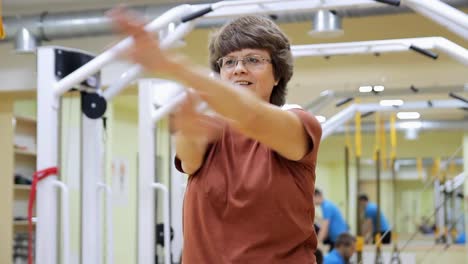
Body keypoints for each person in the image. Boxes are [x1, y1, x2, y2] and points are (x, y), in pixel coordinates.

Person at [111, 9, 322, 264]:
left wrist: (171, 66)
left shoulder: (298, 122)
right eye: (229, 62)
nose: (239, 69)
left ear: (277, 75)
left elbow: (252, 116)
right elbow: (189, 160)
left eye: (253, 60)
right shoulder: (210, 127)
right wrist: (185, 128)